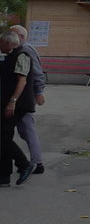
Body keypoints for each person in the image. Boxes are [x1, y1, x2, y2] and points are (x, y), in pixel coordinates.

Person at [1, 29, 36, 187]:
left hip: (18, 104)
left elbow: (22, 81)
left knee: (2, 137)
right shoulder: (10, 56)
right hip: (9, 103)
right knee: (4, 137)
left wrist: (12, 101)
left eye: (0, 42)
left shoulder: (22, 55)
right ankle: (4, 177)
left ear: (8, 42)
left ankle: (24, 164)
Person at [10, 25, 46, 175]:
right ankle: (35, 162)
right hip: (21, 97)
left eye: (12, 35)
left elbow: (37, 73)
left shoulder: (25, 50)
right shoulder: (19, 49)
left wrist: (39, 92)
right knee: (25, 131)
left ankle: (37, 163)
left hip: (24, 98)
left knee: (27, 130)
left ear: (21, 37)